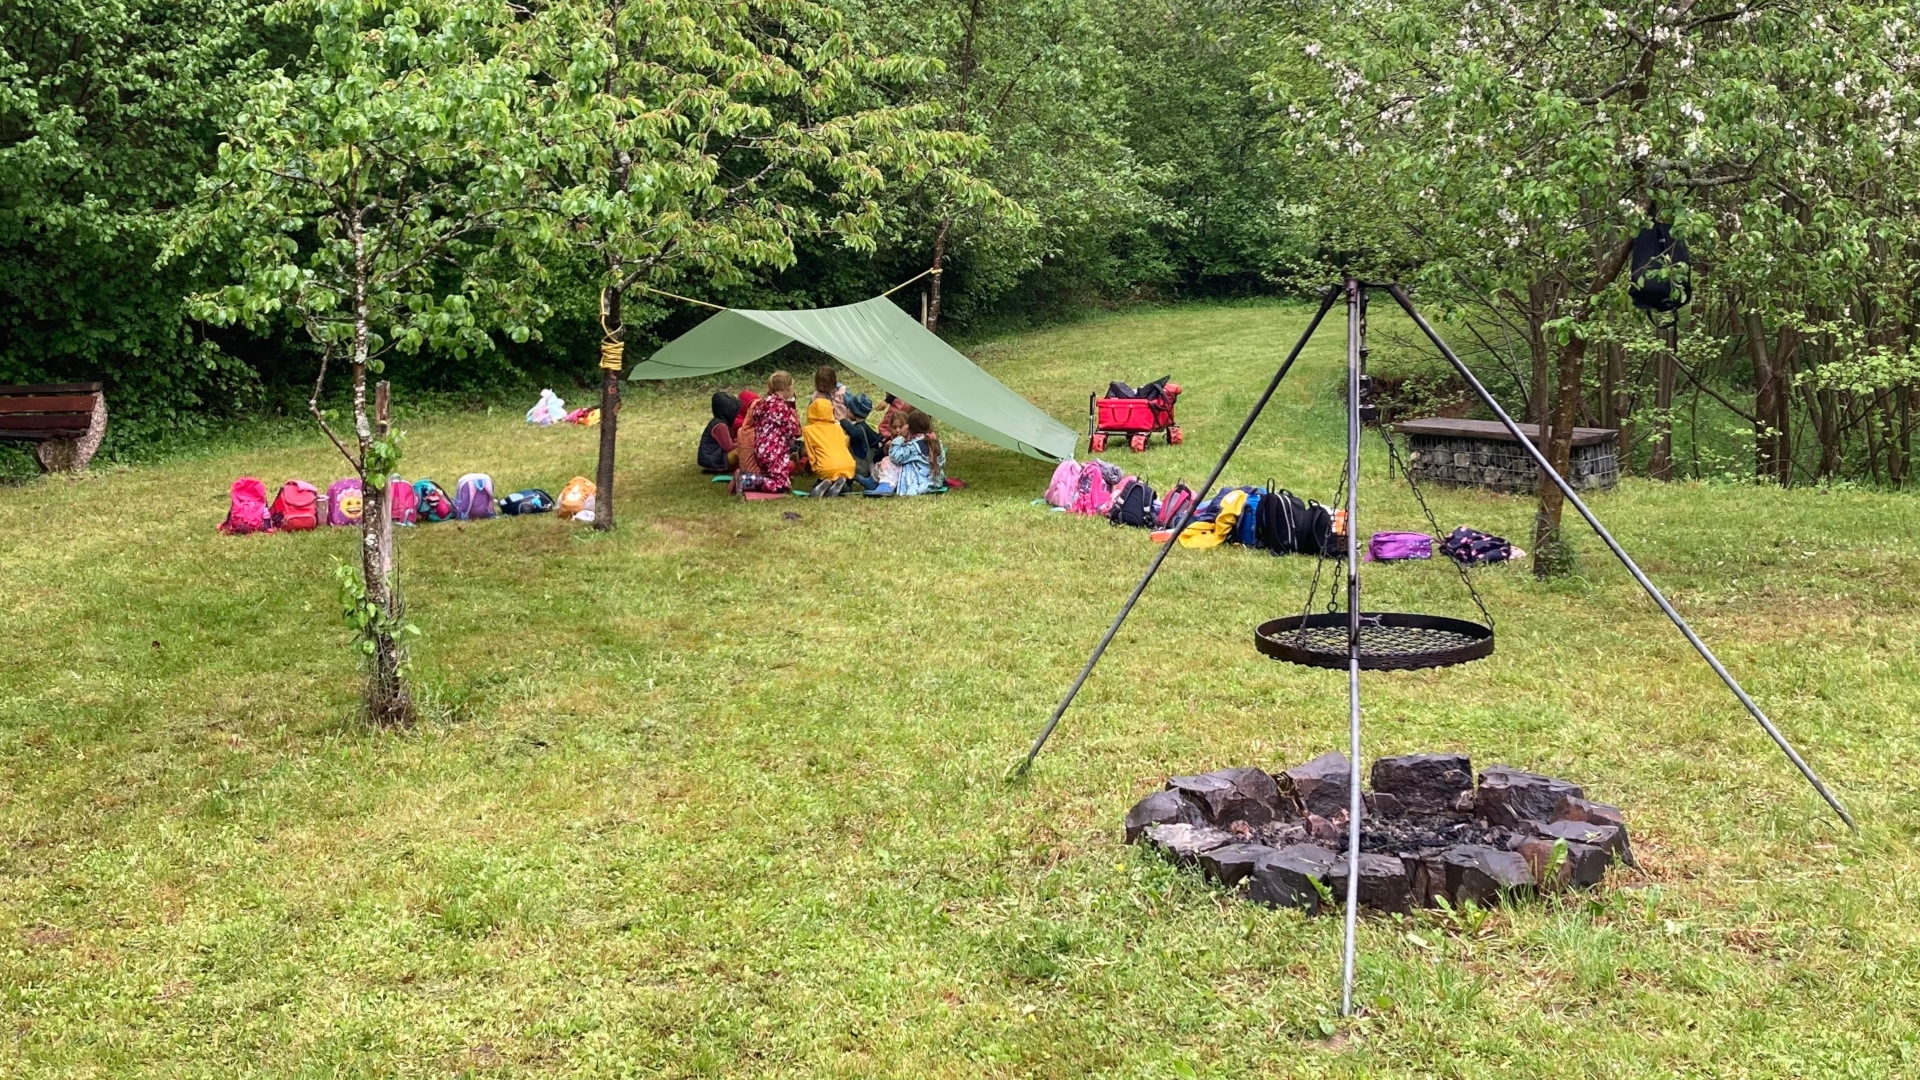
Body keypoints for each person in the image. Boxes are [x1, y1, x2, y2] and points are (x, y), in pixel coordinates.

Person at [738, 371, 799, 493]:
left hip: (761, 448)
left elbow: (755, 416)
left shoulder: (762, 402)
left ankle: (749, 479)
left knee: (776, 476)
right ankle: (746, 480)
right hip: (774, 450)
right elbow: (792, 429)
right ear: (788, 388)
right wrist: (794, 416)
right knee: (780, 485)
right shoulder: (781, 407)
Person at [862, 408, 945, 495]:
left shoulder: (914, 445)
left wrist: (900, 437)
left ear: (909, 428)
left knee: (888, 461)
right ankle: (874, 482)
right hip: (935, 481)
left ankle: (885, 486)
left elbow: (895, 457)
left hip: (919, 484)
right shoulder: (936, 442)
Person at [803, 391, 857, 496]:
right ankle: (843, 485)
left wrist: (815, 468)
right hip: (848, 465)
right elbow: (845, 444)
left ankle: (825, 482)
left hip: (827, 466)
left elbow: (811, 454)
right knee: (848, 485)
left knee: (822, 479)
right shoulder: (838, 428)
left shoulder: (808, 430)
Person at [698, 392, 741, 473]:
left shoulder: (720, 422)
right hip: (716, 461)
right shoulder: (720, 426)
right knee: (741, 450)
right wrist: (742, 442)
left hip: (715, 459)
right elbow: (729, 447)